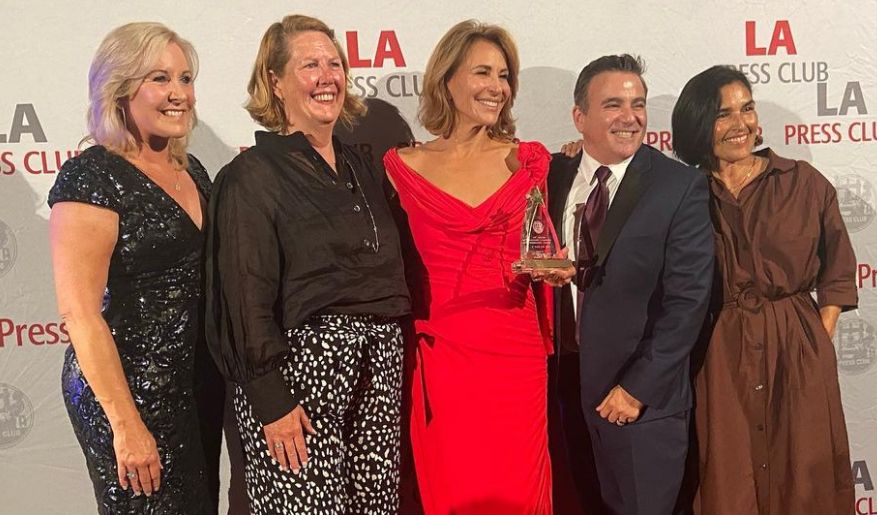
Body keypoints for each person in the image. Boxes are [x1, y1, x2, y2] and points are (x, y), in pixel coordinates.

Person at [206, 14, 411, 515]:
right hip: (299, 377)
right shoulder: (250, 176)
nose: (327, 76)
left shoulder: (361, 167)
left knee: (375, 507)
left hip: (378, 365)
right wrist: (270, 399)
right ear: (274, 82)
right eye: (309, 65)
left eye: (334, 63)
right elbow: (243, 292)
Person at [382, 19, 572, 515]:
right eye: (482, 72)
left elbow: (545, 242)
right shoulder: (400, 166)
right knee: (455, 492)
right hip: (442, 357)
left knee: (518, 491)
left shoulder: (526, 161)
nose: (497, 87)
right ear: (447, 79)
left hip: (515, 356)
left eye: (505, 75)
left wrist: (555, 270)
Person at [48, 22, 220, 513]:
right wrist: (125, 422)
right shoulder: (92, 175)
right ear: (120, 89)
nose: (179, 94)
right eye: (160, 79)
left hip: (192, 384)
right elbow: (79, 313)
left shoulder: (193, 171)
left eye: (185, 79)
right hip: (128, 394)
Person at [671, 65, 857, 514]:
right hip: (717, 353)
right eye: (723, 114)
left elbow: (837, 273)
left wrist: (813, 339)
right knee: (727, 479)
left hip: (797, 352)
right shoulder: (681, 193)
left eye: (747, 109)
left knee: (805, 480)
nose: (741, 125)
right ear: (698, 124)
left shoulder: (803, 182)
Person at [547, 54, 714, 515]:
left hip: (639, 400)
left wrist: (638, 387)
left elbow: (688, 301)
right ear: (579, 117)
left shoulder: (678, 186)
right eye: (613, 104)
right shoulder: (551, 175)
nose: (630, 117)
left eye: (637, 104)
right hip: (561, 397)